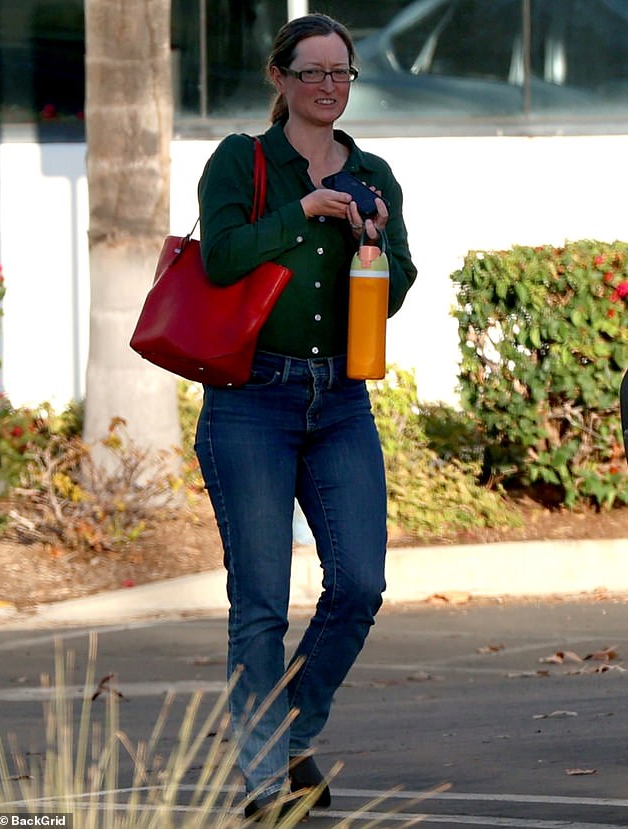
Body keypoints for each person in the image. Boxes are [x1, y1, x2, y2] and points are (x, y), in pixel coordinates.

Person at [195, 12, 417, 822]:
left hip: (342, 399)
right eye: (313, 71)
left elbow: (396, 287)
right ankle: (262, 779)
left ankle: (290, 731)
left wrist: (374, 243)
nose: (329, 86)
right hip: (250, 398)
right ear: (280, 78)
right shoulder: (242, 160)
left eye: (342, 73)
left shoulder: (376, 172)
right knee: (259, 600)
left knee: (359, 583)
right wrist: (308, 211)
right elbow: (221, 256)